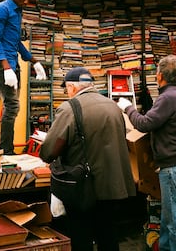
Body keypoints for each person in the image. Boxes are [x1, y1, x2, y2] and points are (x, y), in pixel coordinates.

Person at [39, 67, 136, 251]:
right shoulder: (113, 107)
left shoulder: (70, 109)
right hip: (113, 185)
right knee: (108, 234)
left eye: (67, 88)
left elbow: (49, 151)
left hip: (84, 188)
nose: (67, 92)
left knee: (81, 236)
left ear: (73, 87)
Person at [117, 54, 176, 251]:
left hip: (174, 168)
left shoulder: (168, 98)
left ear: (159, 75)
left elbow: (144, 124)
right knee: (169, 220)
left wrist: (127, 107)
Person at [0, 0, 47, 155]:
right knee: (12, 106)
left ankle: (7, 148)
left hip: (12, 63)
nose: (26, 2)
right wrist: (6, 67)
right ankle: (7, 150)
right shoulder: (1, 10)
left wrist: (33, 60)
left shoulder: (17, 11)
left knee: (13, 106)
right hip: (1, 63)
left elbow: (16, 42)